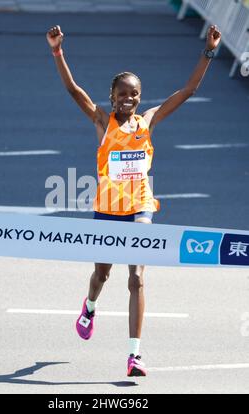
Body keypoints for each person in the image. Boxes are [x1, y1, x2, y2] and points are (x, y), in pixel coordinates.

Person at [46, 24, 221, 376]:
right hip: (108, 210)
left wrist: (209, 50)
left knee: (137, 278)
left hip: (140, 207)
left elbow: (188, 90)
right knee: (102, 274)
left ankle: (134, 356)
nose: (129, 99)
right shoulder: (101, 119)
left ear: (140, 97)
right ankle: (90, 306)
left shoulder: (148, 121)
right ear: (112, 97)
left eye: (134, 94)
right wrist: (57, 51)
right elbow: (72, 88)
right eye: (122, 94)